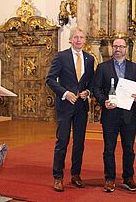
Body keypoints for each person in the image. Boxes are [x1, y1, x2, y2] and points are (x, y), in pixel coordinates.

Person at [93, 38, 136, 193]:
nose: (118, 49)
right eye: (115, 46)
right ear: (112, 48)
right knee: (109, 149)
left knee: (128, 148)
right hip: (110, 113)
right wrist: (104, 101)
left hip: (128, 115)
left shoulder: (135, 68)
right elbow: (96, 88)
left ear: (126, 49)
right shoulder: (103, 67)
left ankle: (128, 178)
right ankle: (109, 179)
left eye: (121, 46)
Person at [46, 27, 95, 192]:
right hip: (65, 106)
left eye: (81, 37)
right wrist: (65, 93)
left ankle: (76, 175)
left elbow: (92, 83)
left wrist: (88, 92)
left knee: (79, 143)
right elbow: (50, 79)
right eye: (76, 37)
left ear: (85, 40)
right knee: (62, 141)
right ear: (70, 40)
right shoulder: (61, 57)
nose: (79, 40)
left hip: (81, 107)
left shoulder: (89, 59)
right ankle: (58, 177)